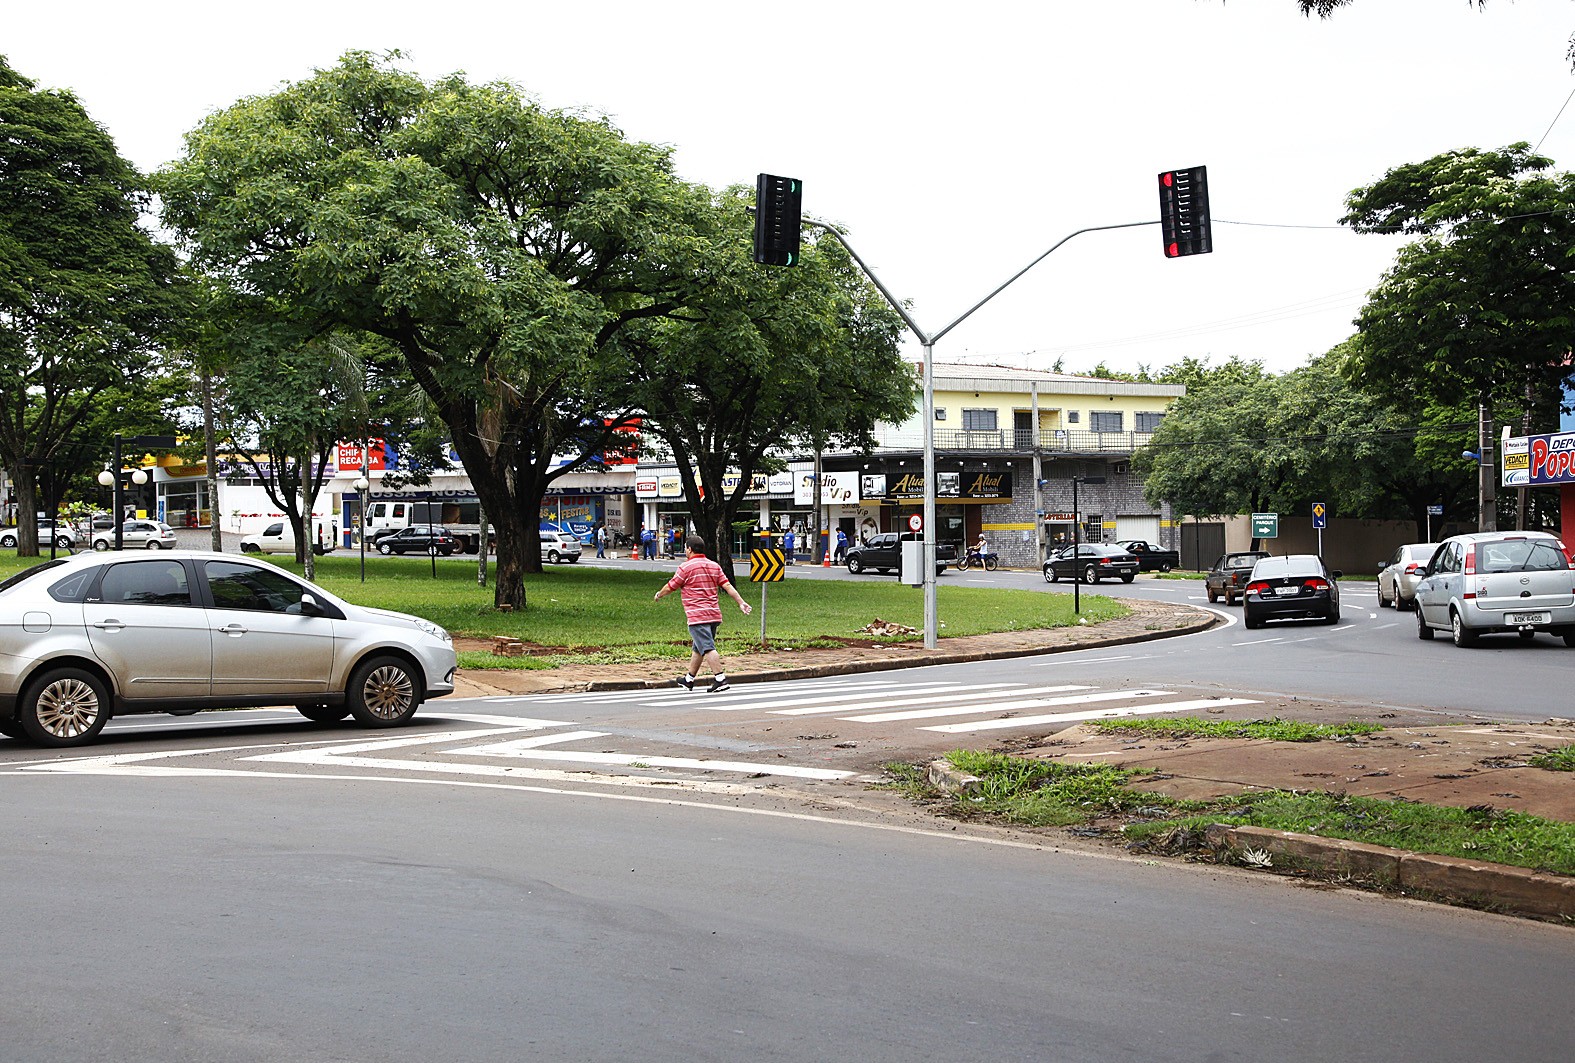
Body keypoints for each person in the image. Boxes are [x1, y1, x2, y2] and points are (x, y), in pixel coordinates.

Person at [655, 534, 753, 693]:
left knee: (707, 647)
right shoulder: (714, 566)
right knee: (698, 647)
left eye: (686, 548)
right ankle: (689, 680)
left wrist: (659, 594)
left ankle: (720, 679)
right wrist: (740, 602)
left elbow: (672, 585)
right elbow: (727, 586)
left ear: (689, 549)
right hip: (713, 615)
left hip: (697, 615)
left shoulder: (685, 567)